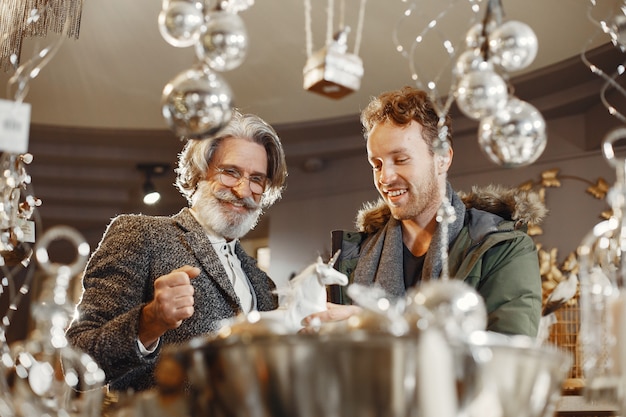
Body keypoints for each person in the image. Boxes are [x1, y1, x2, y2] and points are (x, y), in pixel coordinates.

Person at [66, 110, 288, 392]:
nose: (244, 190)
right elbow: (77, 363)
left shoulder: (262, 283)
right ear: (199, 172)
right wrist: (150, 321)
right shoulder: (141, 234)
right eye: (231, 172)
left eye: (257, 179)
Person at [304, 86, 545, 337]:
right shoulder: (352, 258)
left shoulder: (503, 248)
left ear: (442, 158)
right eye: (376, 164)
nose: (385, 177)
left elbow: (506, 363)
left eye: (400, 160)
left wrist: (384, 327)